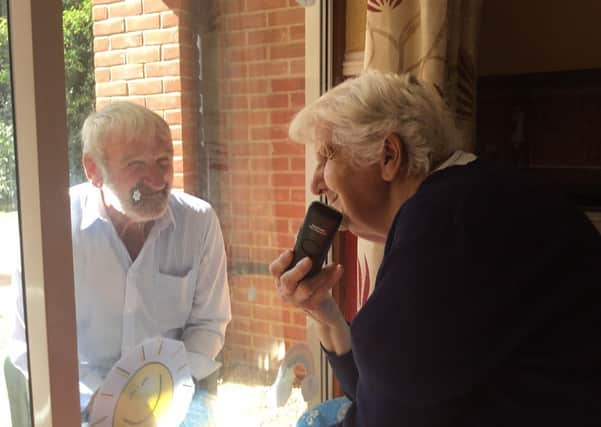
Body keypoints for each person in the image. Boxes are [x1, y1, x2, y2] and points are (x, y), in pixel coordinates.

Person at [269, 70, 601, 427]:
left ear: (389, 156)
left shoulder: (450, 223)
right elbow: (380, 392)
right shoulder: (464, 196)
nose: (315, 182)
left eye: (326, 157)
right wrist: (325, 314)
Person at [10, 102, 231, 426]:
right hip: (79, 408)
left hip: (172, 405)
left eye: (163, 161)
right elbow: (29, 345)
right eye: (137, 164)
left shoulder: (198, 222)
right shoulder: (49, 229)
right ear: (93, 170)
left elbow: (209, 324)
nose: (157, 180)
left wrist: (166, 391)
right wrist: (100, 399)